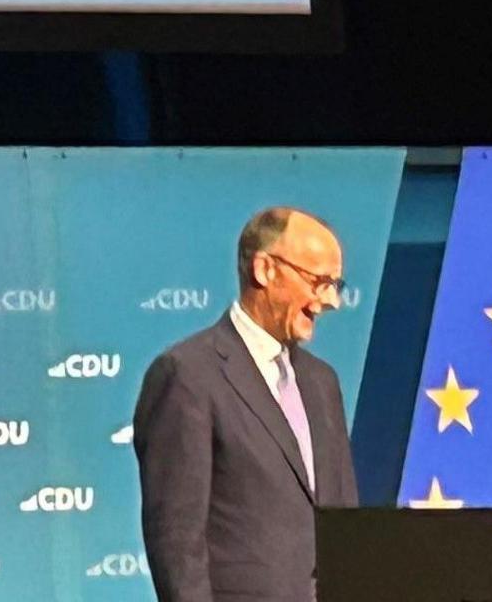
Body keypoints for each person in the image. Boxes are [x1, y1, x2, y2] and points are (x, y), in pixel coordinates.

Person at [130, 207, 357, 602]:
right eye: (319, 281)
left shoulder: (323, 383)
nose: (331, 300)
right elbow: (177, 542)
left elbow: (343, 521)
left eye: (335, 284)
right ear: (265, 270)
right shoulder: (188, 375)